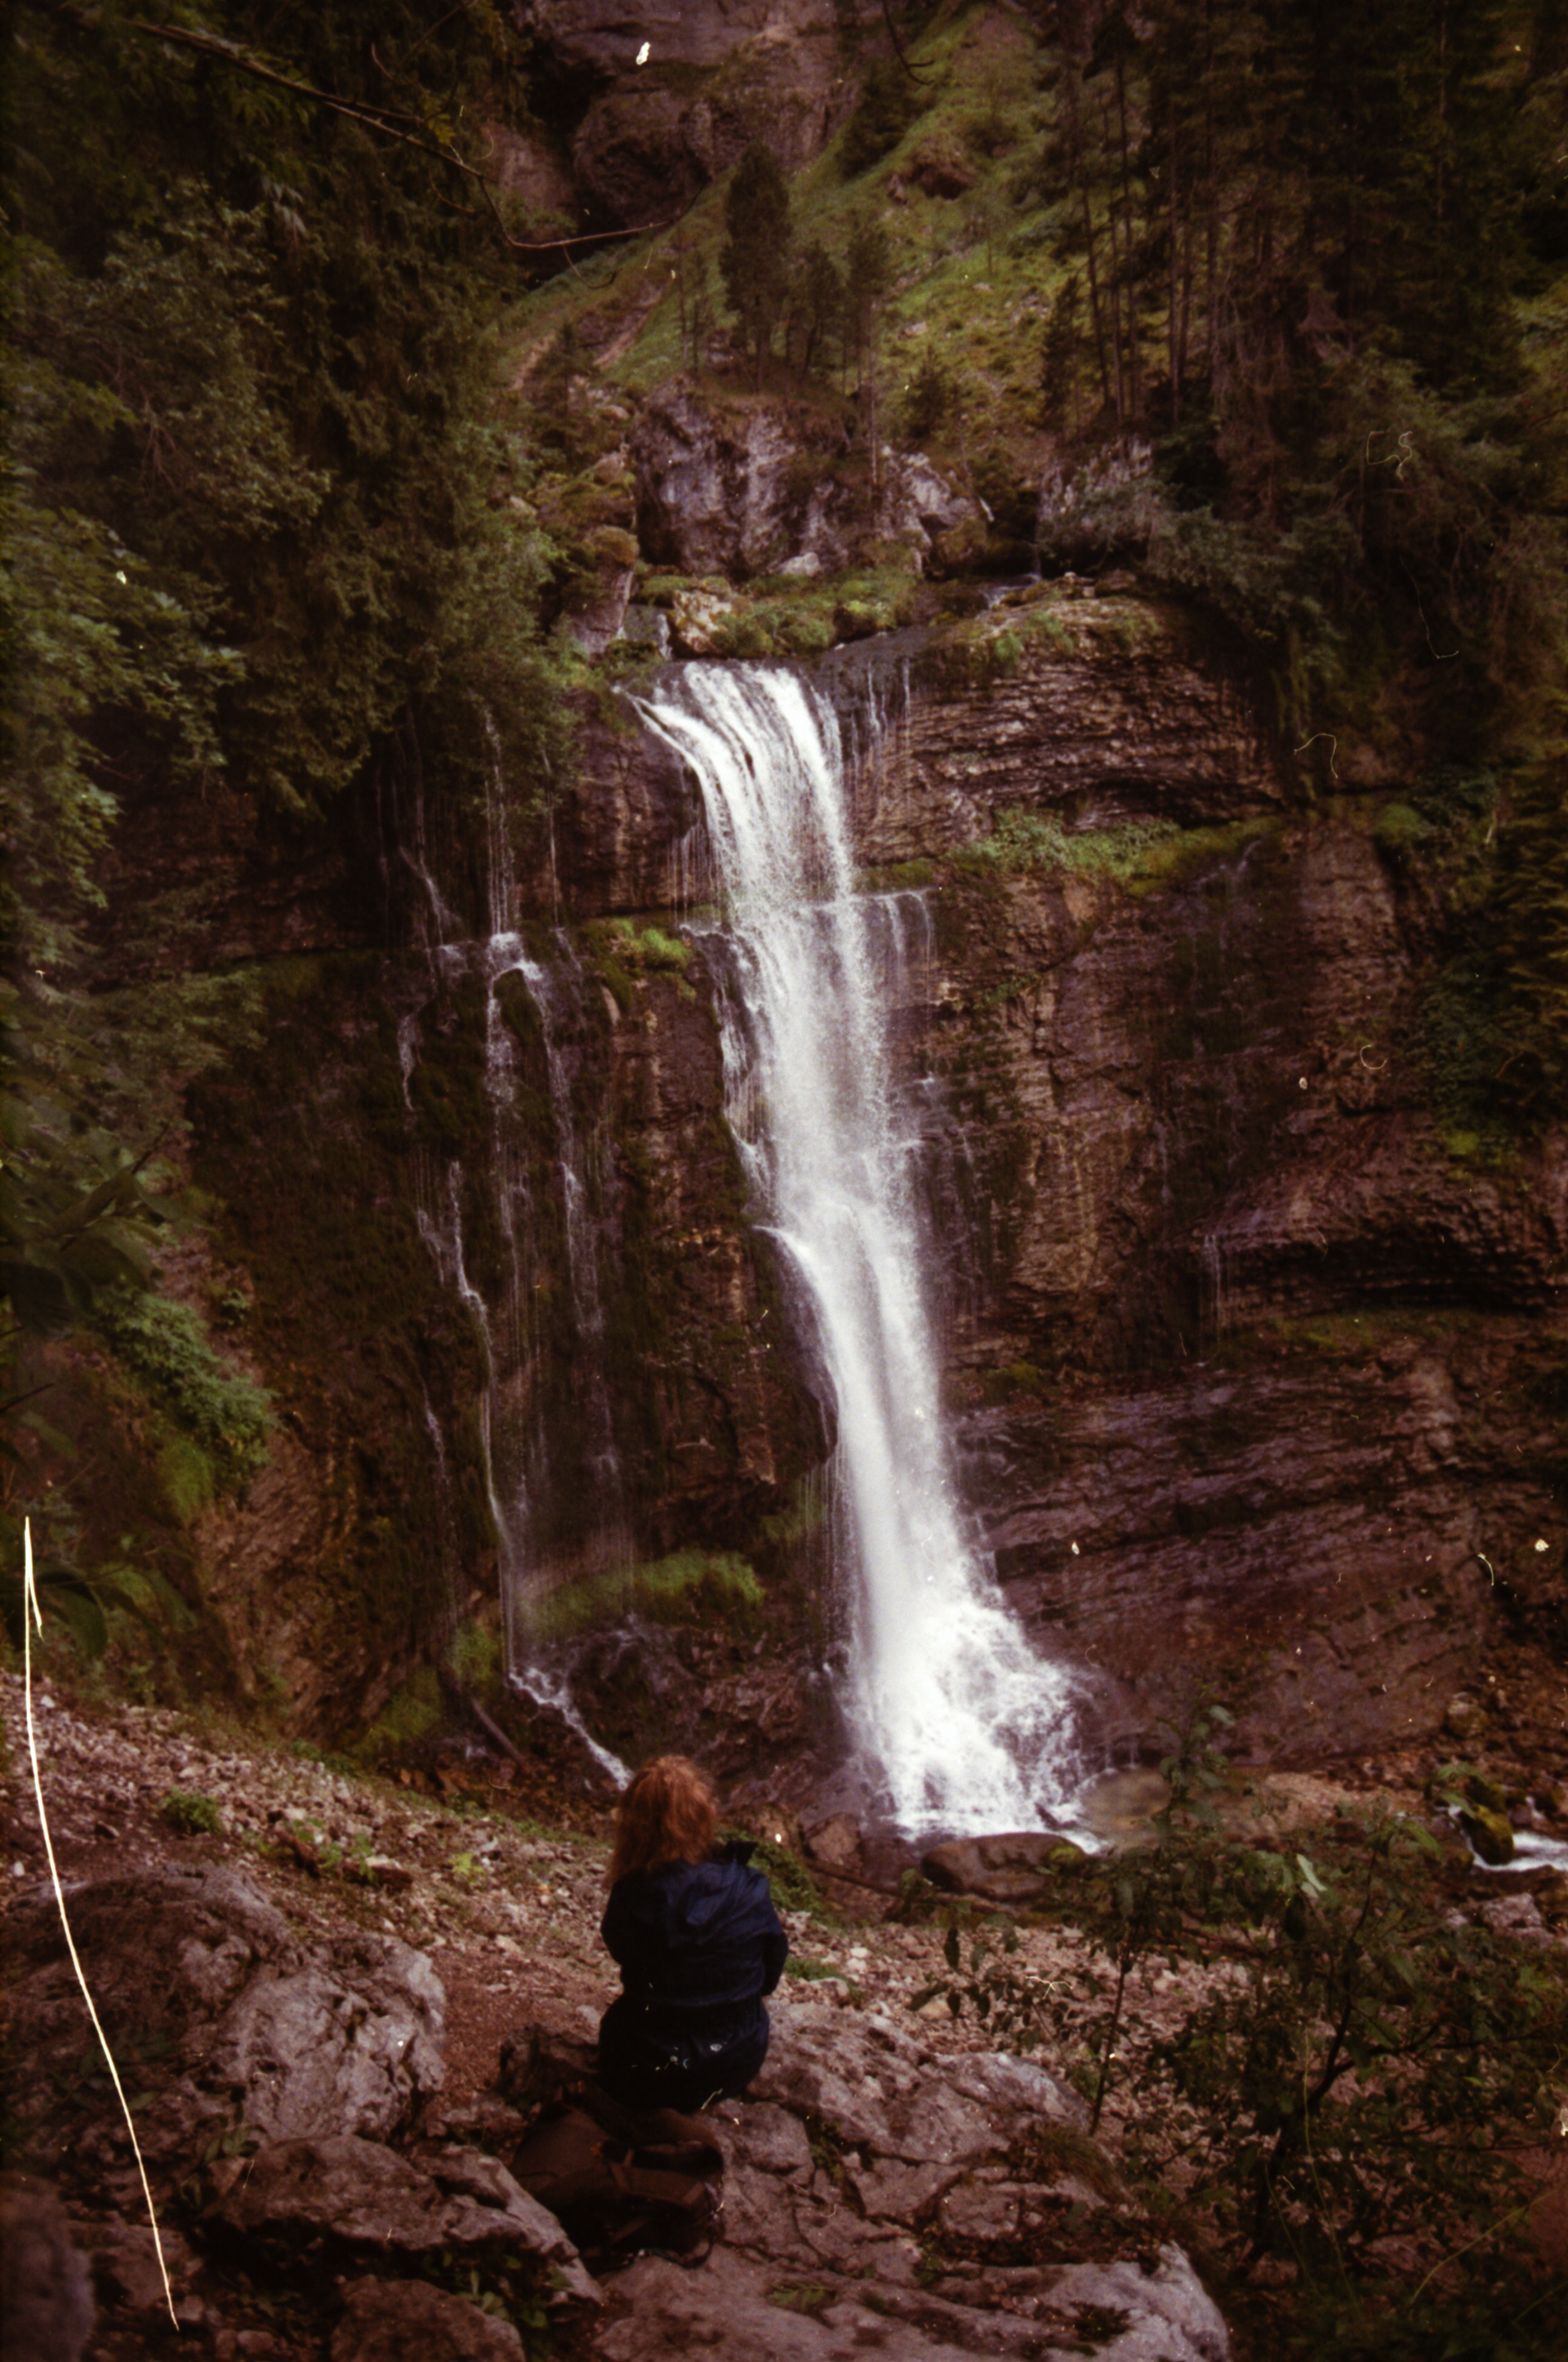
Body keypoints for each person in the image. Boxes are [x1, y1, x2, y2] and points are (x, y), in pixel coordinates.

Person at [597, 1755, 788, 2114]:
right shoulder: (748, 1888)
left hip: (645, 2065)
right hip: (734, 2061)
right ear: (706, 1819)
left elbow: (622, 1952)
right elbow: (769, 1975)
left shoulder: (631, 1895)